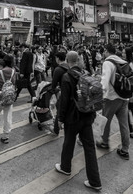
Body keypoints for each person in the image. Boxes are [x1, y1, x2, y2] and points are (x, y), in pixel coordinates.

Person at [55, 51, 102, 191]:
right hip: (87, 115)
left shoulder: (66, 77)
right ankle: (95, 181)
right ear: (78, 60)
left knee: (68, 143)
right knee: (90, 148)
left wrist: (60, 119)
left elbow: (63, 101)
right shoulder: (86, 73)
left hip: (72, 117)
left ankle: (65, 167)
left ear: (68, 61)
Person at [97, 44, 130, 160]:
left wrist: (100, 94)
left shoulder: (107, 62)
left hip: (111, 98)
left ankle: (104, 142)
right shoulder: (122, 61)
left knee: (106, 121)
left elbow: (104, 81)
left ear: (106, 51)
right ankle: (125, 149)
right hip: (124, 97)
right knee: (124, 124)